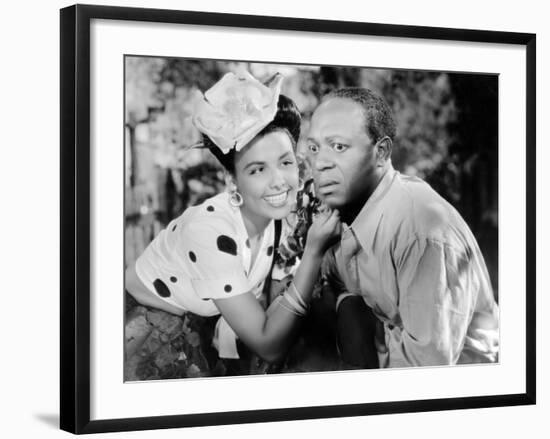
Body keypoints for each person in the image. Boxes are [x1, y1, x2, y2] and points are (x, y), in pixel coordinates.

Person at [125, 71, 340, 370]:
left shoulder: (276, 216)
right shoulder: (210, 231)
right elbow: (270, 346)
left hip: (194, 327)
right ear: (232, 180)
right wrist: (314, 252)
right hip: (138, 334)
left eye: (286, 162)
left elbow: (272, 302)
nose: (279, 182)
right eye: (257, 170)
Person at [305, 87, 499, 368]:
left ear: (381, 151)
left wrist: (360, 338)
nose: (320, 163)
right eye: (314, 148)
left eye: (338, 147)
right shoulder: (342, 215)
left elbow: (428, 367)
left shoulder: (421, 231)